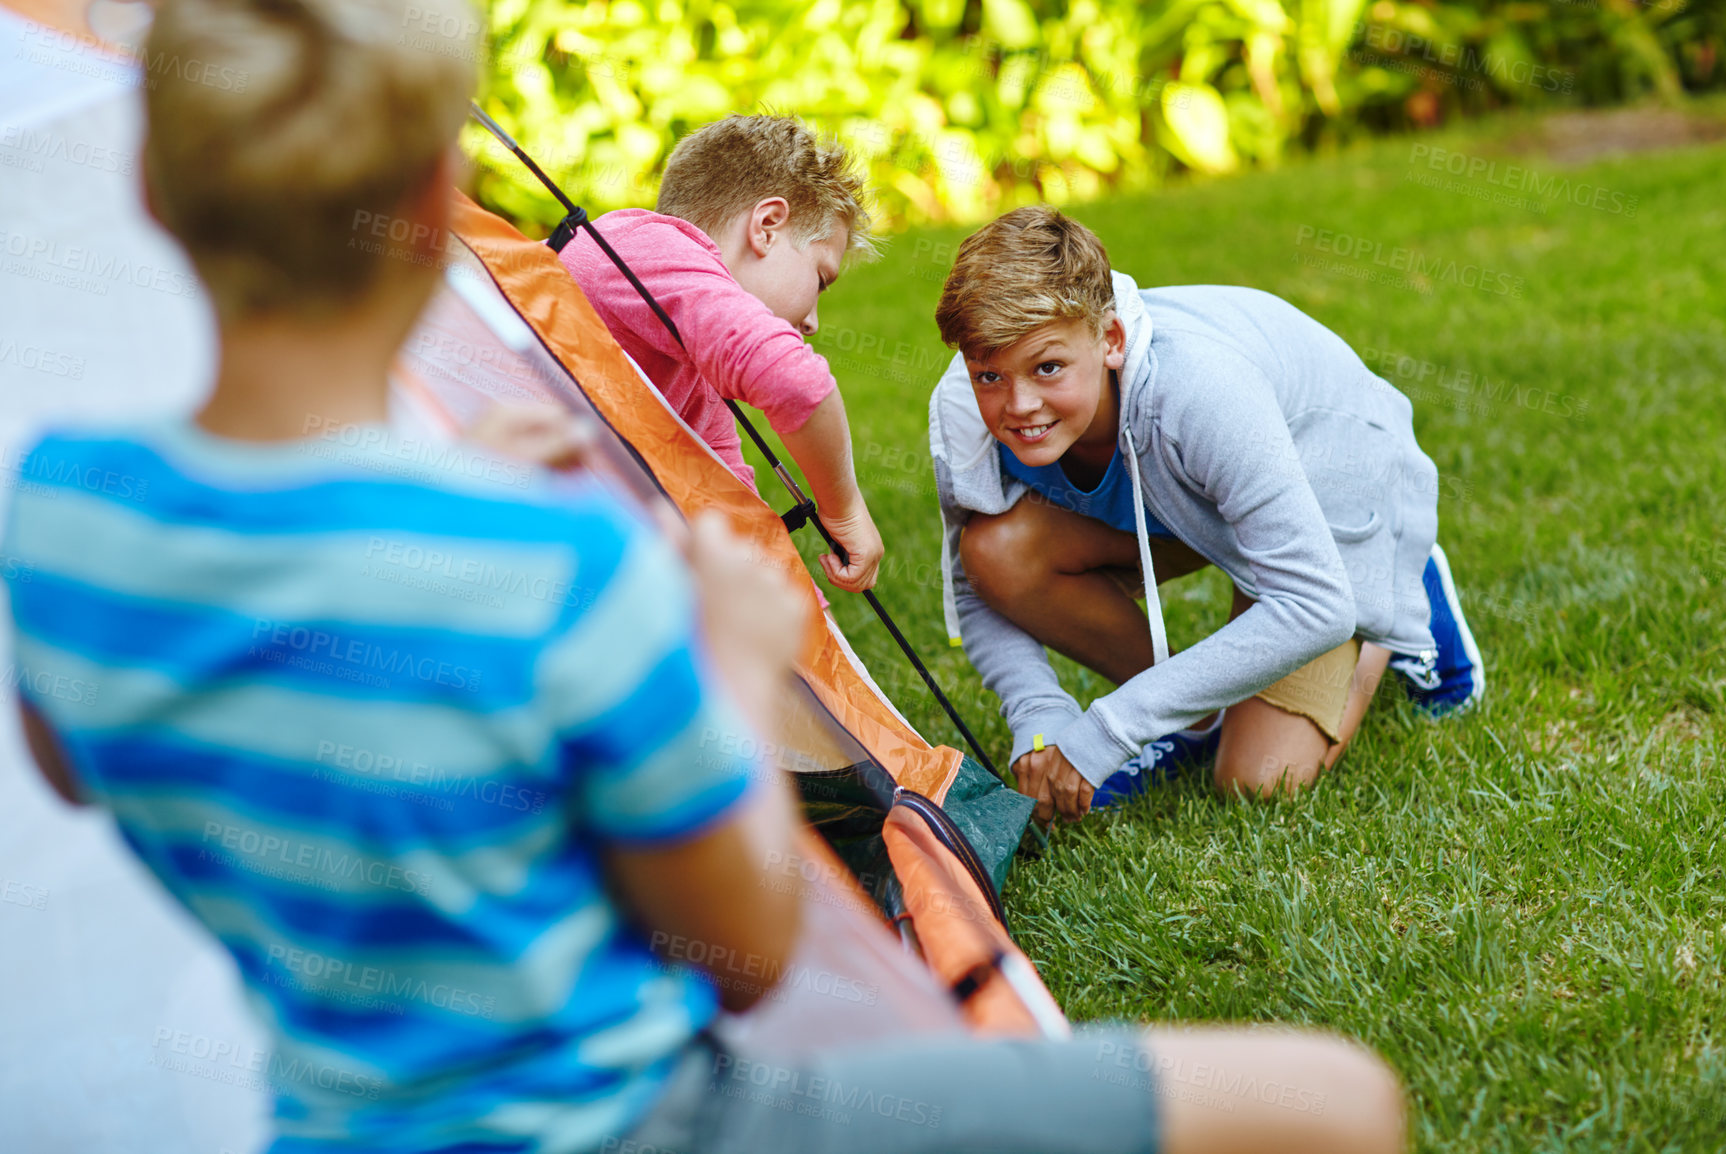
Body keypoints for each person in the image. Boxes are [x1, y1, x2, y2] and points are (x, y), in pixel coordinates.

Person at [3, 3, 1408, 1152]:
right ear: (438, 196)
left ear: (147, 184)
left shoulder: (65, 518)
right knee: (1335, 1100)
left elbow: (79, 760)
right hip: (641, 1121)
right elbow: (742, 945)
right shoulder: (564, 569)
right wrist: (729, 668)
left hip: (326, 1124)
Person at [928, 205, 1484, 823]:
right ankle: (1193, 720)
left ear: (1110, 340)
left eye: (1048, 367)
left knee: (1257, 780)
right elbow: (974, 588)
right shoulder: (964, 410)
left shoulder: (1202, 393)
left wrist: (1106, 732)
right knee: (994, 551)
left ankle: (1398, 585)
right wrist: (1042, 716)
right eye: (989, 376)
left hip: (1329, 505)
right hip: (1190, 503)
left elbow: (1314, 607)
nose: (1019, 404)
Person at [559, 114, 886, 593]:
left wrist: (804, 633)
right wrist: (845, 510)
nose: (813, 320)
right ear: (768, 227)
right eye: (820, 279)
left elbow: (731, 511)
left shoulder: (693, 370)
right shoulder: (633, 245)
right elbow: (798, 384)